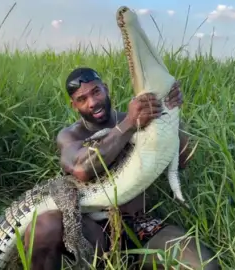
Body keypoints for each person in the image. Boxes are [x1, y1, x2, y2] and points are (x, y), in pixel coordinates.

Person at [22, 67, 219, 270]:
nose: (92, 102)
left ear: (106, 89)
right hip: (95, 229)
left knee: (205, 266)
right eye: (82, 99)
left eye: (96, 92)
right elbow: (82, 168)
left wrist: (171, 113)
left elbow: (183, 159)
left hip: (141, 224)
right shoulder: (72, 135)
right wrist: (129, 125)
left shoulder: (141, 118)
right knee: (43, 227)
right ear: (74, 105)